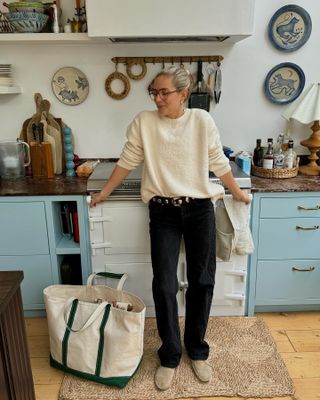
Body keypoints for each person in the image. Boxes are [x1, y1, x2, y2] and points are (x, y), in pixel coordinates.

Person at [90, 66, 250, 391]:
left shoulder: (201, 121)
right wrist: (103, 192)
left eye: (164, 92)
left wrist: (237, 192)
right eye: (154, 92)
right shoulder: (144, 123)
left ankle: (197, 349)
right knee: (164, 284)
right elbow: (128, 160)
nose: (158, 98)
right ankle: (170, 354)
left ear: (183, 94)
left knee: (202, 281)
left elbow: (218, 161)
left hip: (200, 209)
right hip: (162, 211)